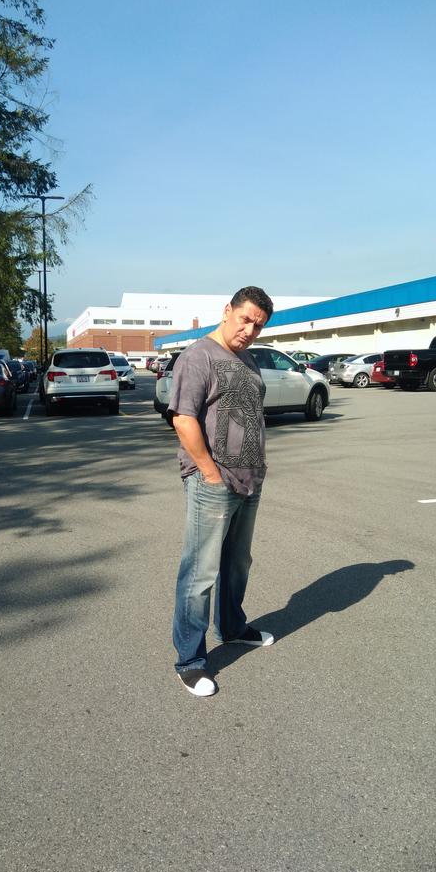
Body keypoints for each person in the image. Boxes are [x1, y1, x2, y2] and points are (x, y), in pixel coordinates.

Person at [168, 286, 275, 698]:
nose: (249, 330)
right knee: (200, 573)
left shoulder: (247, 359)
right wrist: (210, 474)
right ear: (227, 310)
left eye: (258, 326)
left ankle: (231, 627)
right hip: (213, 482)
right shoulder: (198, 356)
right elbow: (183, 419)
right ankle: (190, 661)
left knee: (237, 563)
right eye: (245, 319)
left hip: (250, 480)